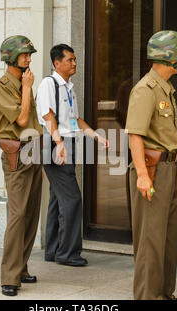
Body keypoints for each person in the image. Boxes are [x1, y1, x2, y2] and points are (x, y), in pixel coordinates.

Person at [125, 30, 177, 300]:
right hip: (152, 171)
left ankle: (164, 293)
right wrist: (142, 175)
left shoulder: (166, 89)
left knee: (168, 238)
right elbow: (134, 135)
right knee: (150, 241)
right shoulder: (145, 89)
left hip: (169, 169)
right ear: (170, 57)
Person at [36, 44, 108, 267]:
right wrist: (59, 142)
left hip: (67, 143)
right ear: (57, 63)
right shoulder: (49, 83)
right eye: (70, 60)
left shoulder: (68, 88)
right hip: (57, 144)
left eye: (75, 59)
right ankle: (68, 254)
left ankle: (53, 250)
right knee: (72, 199)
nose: (74, 63)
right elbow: (47, 115)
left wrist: (96, 136)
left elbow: (76, 120)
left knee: (58, 200)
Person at [0, 35, 43, 297]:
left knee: (32, 214)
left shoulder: (24, 83)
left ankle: (21, 267)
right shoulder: (0, 87)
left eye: (29, 54)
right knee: (18, 214)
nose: (29, 59)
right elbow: (21, 119)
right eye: (24, 55)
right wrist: (26, 88)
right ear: (10, 57)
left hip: (33, 152)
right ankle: (9, 276)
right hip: (17, 155)